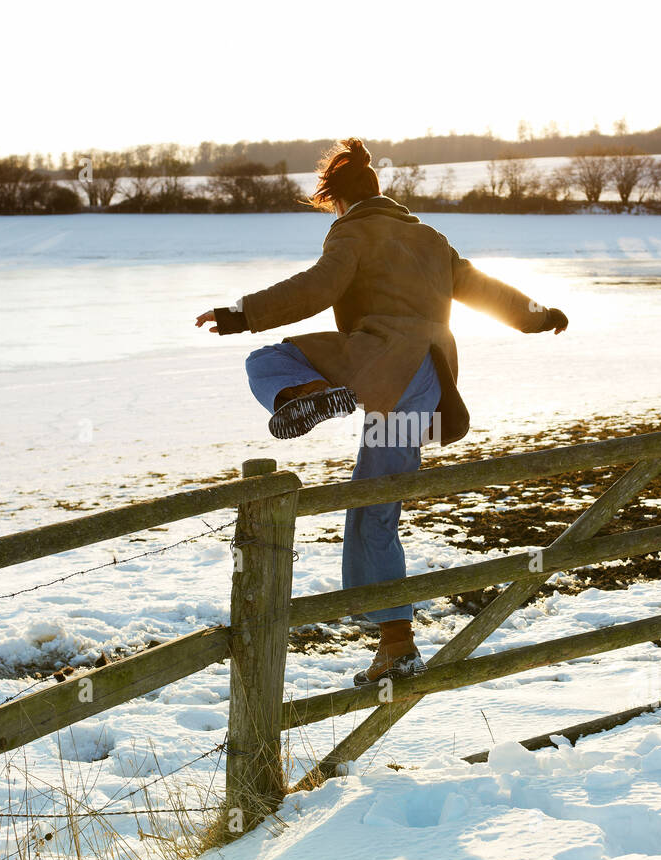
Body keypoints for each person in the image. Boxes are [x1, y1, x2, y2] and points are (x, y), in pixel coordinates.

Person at [195, 137, 568, 685]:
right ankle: (396, 646)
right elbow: (481, 288)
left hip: (378, 364)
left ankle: (310, 393)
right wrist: (538, 314)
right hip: (427, 381)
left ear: (339, 201)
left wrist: (240, 312)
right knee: (376, 507)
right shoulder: (430, 237)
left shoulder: (351, 232)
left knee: (266, 360)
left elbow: (317, 287)